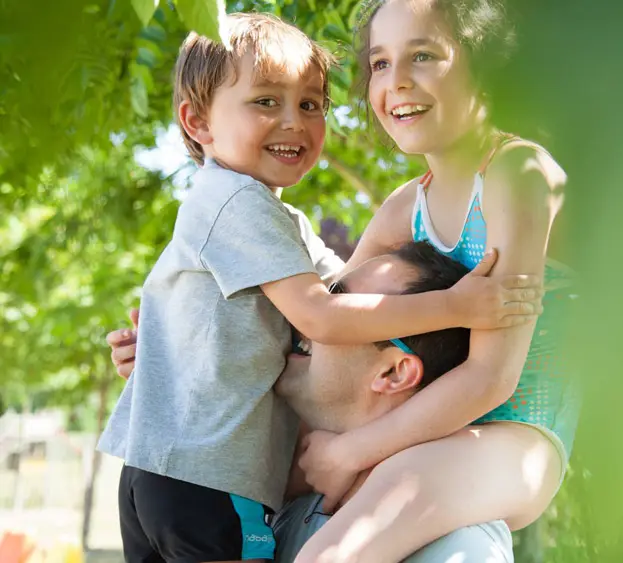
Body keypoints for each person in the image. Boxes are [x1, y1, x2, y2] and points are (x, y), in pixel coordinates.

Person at [97, 12, 541, 563]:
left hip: (163, 474)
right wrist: (454, 305)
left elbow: (340, 297)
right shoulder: (237, 204)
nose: (293, 122)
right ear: (198, 122)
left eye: (310, 104)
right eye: (266, 102)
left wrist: (174, 353)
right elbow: (325, 319)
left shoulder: (279, 223)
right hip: (205, 478)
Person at [290, 0, 582, 560]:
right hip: (422, 427)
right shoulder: (406, 208)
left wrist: (349, 452)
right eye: (379, 63)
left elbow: (492, 377)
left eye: (422, 55)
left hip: (518, 435)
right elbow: (332, 318)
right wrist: (174, 345)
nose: (396, 81)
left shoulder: (517, 175)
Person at [272, 240, 514, 562]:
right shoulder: (273, 504)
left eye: (337, 302)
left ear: (393, 373)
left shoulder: (457, 550)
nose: (307, 314)